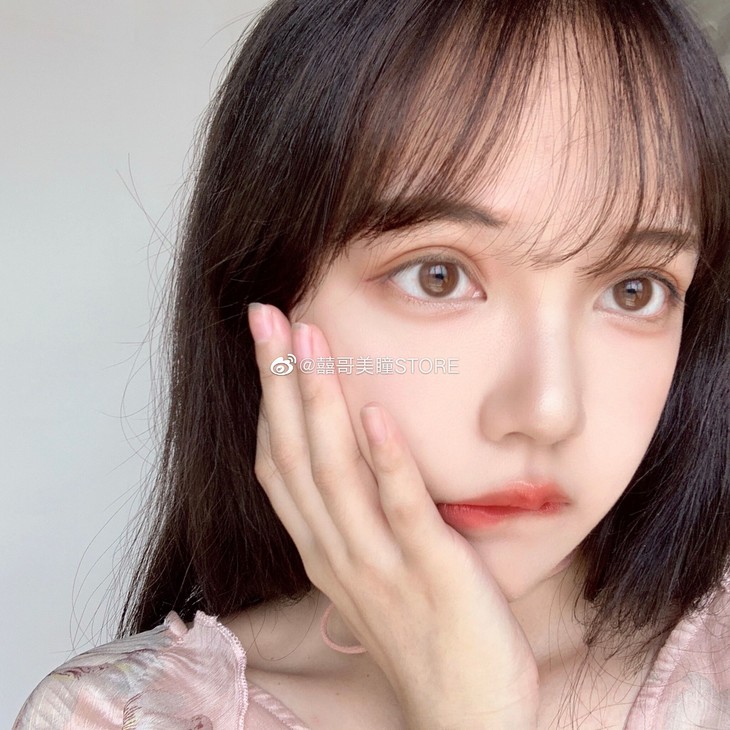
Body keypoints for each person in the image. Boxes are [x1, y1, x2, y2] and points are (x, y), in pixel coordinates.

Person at [14, 0, 730, 727]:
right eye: (437, 276)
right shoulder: (117, 715)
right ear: (266, 304)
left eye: (635, 290)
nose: (548, 410)